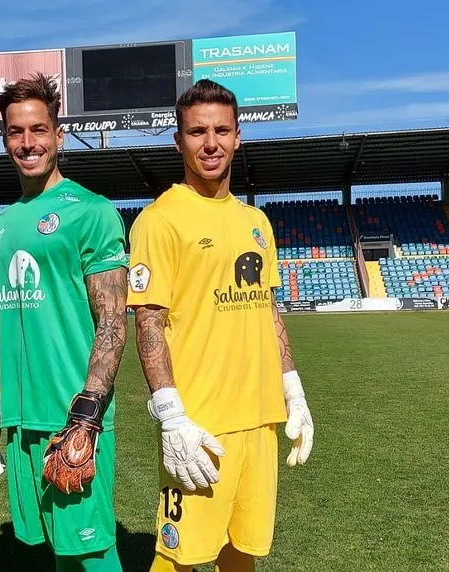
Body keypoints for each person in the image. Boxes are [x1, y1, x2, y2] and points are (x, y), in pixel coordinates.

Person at [126, 79, 315, 572]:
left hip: (260, 419)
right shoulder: (159, 220)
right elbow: (148, 323)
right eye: (197, 132)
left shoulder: (258, 221)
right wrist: (171, 417)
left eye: (221, 130)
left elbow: (267, 309)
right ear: (178, 141)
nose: (210, 143)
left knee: (242, 552)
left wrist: (292, 389)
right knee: (178, 559)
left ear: (238, 137)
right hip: (201, 429)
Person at [0, 72, 129, 572]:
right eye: (16, 131)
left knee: (94, 551)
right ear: (4, 139)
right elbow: (13, 312)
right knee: (64, 555)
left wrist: (87, 414)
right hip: (21, 416)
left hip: (70, 417)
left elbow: (112, 322)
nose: (27, 142)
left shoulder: (92, 212)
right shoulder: (4, 221)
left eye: (38, 129)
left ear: (59, 136)